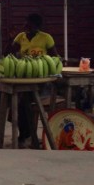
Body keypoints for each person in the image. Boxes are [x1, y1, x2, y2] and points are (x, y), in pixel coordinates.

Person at [11, 13, 59, 148]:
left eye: (29, 24)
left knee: (25, 103)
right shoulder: (20, 37)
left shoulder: (46, 38)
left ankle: (27, 135)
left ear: (37, 26)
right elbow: (7, 53)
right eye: (25, 23)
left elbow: (55, 57)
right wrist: (11, 40)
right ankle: (26, 134)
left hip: (41, 80)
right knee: (20, 103)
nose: (26, 26)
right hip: (24, 77)